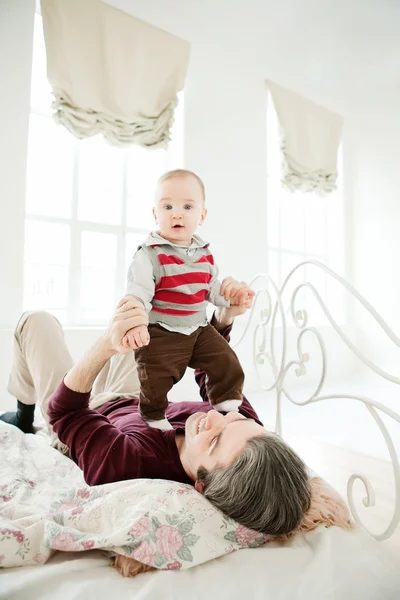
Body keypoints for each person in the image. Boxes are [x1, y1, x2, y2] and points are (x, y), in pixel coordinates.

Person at [0, 290, 311, 536]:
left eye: (214, 441)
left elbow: (65, 411)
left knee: (35, 321)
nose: (217, 418)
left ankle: (24, 415)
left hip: (83, 413)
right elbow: (212, 371)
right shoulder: (244, 433)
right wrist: (224, 315)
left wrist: (106, 346)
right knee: (150, 322)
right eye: (235, 420)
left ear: (202, 486)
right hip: (132, 399)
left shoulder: (130, 465)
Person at [124, 169, 255, 430]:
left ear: (202, 215)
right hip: (161, 331)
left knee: (226, 360)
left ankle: (226, 403)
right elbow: (137, 294)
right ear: (155, 214)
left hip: (199, 329)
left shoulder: (204, 254)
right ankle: (153, 415)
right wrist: (136, 323)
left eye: (187, 206)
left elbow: (212, 290)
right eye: (168, 206)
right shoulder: (149, 255)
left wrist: (232, 298)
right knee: (155, 378)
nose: (177, 213)